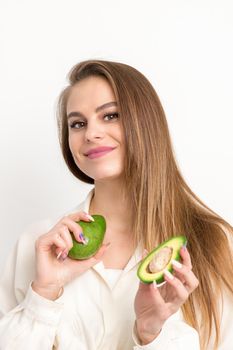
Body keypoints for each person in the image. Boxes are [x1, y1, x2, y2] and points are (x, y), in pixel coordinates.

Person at [0, 59, 232, 350]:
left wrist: (151, 333)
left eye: (110, 116)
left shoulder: (214, 243)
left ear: (145, 122)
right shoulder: (38, 244)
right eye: (78, 123)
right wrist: (44, 295)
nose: (90, 133)